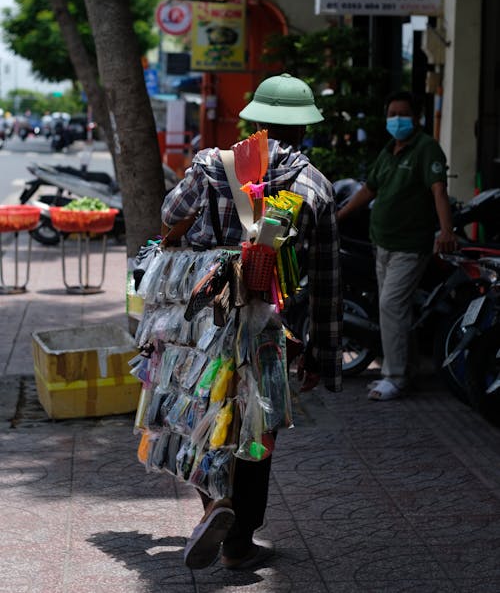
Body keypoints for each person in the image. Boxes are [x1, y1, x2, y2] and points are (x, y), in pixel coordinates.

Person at [160, 72, 342, 570]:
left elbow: (169, 210)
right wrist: (324, 357)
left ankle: (215, 505)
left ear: (253, 121)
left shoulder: (211, 166)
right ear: (305, 130)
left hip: (205, 324)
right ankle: (240, 541)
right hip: (269, 329)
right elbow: (327, 281)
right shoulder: (315, 186)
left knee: (204, 415)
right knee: (257, 428)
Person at [337, 92, 457, 401]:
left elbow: (439, 190)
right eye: (392, 113)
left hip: (410, 245)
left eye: (403, 114)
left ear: (416, 118)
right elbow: (368, 189)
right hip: (382, 243)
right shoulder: (389, 151)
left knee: (391, 306)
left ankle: (395, 376)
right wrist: (339, 216)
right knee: (395, 309)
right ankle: (409, 369)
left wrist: (446, 230)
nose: (397, 119)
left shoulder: (426, 149)